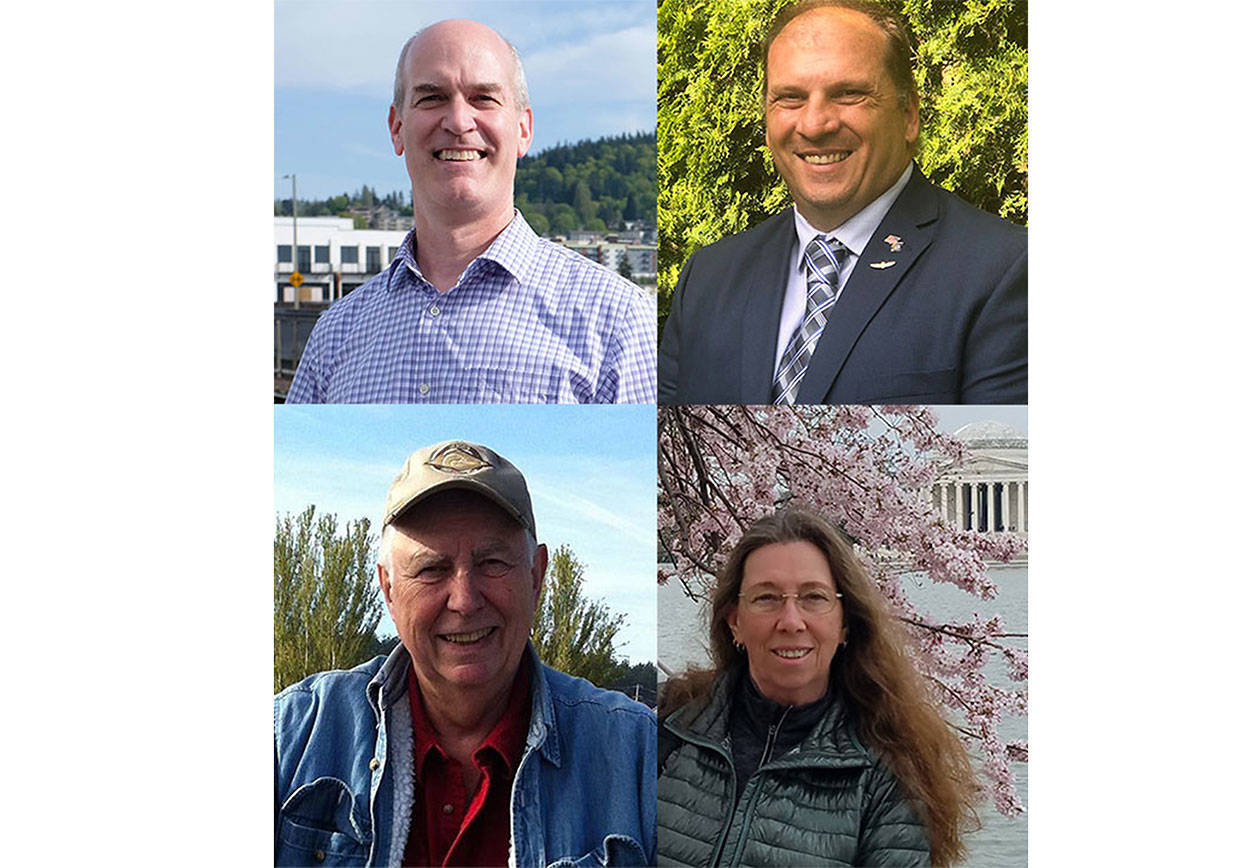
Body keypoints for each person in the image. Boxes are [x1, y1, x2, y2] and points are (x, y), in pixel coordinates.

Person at [275, 440, 656, 866]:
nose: (465, 599)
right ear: (388, 588)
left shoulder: (639, 755)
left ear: (536, 576)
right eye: (432, 569)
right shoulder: (292, 737)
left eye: (493, 562)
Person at [658, 0, 1027, 405]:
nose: (815, 124)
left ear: (909, 115)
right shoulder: (708, 279)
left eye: (849, 94)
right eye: (790, 98)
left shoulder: (1003, 271)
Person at [287, 20, 656, 404]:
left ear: (523, 129)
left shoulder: (619, 322)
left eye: (483, 98)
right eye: (431, 98)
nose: (459, 122)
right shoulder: (335, 334)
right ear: (397, 128)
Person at [657, 508, 976, 867]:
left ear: (844, 624)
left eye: (814, 597)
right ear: (735, 622)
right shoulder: (670, 722)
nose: (791, 621)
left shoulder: (890, 775)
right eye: (766, 598)